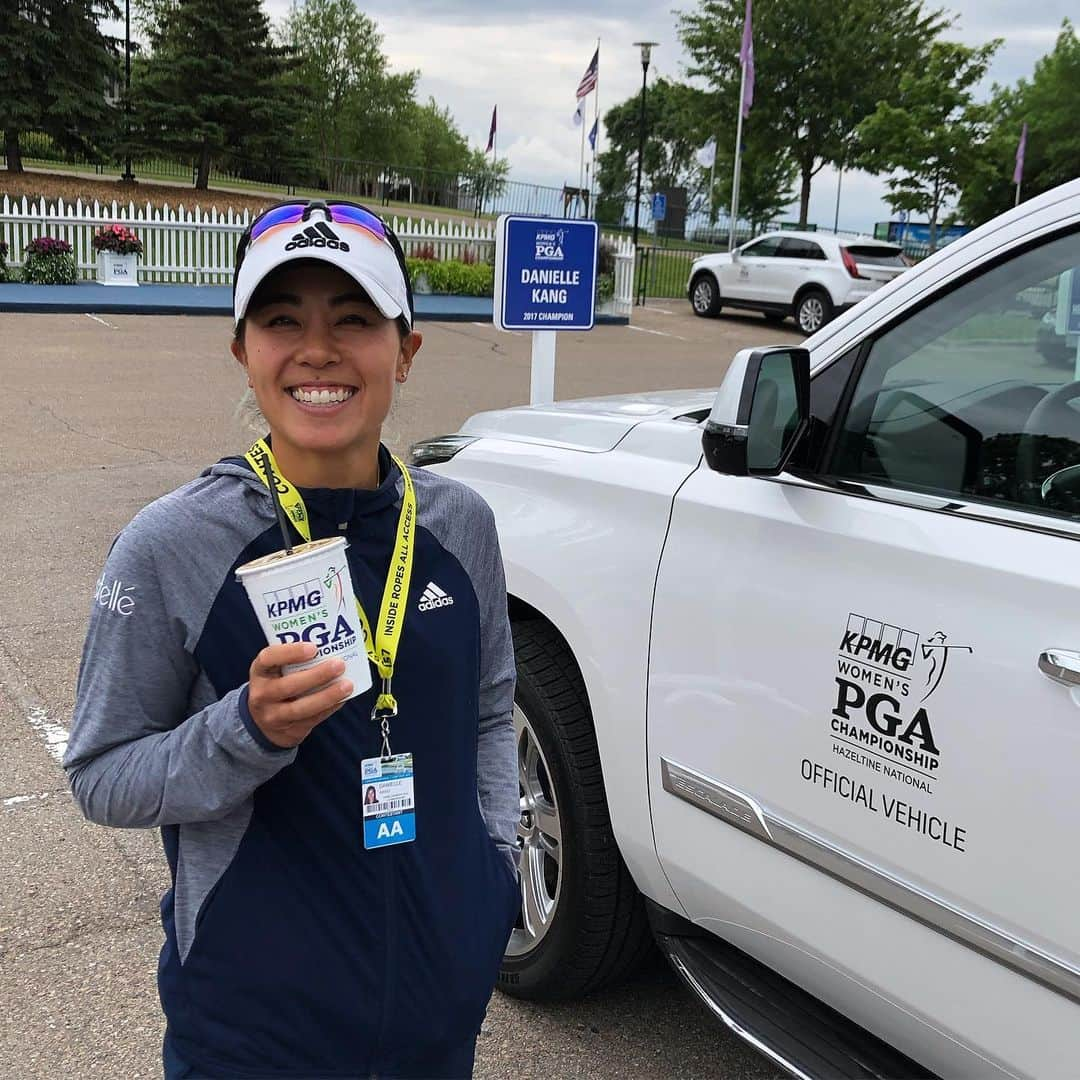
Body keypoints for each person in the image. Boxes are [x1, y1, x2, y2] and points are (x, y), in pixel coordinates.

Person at [64, 199, 521, 1079]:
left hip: (439, 1018)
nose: (318, 349)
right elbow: (99, 775)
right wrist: (246, 731)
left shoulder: (462, 526)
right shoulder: (172, 544)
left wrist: (489, 877)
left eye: (354, 319)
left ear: (406, 349)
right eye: (283, 320)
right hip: (252, 1039)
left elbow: (493, 712)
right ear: (243, 348)